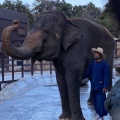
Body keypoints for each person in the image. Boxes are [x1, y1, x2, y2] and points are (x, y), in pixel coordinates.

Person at [84, 47, 109, 120]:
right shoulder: (92, 64)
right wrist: (80, 77)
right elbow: (88, 73)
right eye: (95, 53)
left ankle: (101, 116)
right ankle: (98, 114)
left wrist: (105, 86)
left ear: (100, 55)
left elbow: (106, 76)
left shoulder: (105, 65)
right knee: (95, 102)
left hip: (101, 86)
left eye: (97, 53)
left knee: (100, 102)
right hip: (93, 86)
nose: (95, 54)